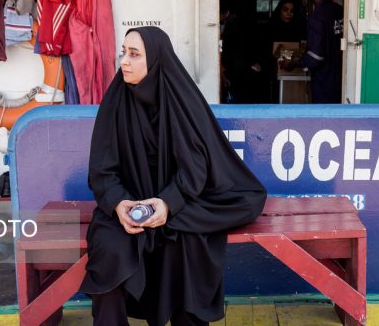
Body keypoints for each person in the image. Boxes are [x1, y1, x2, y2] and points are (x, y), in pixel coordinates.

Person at [79, 26, 267, 326]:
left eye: (134, 54)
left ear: (155, 59)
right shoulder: (115, 101)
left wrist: (167, 204)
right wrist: (118, 204)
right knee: (110, 252)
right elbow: (101, 170)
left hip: (177, 203)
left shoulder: (180, 100)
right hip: (128, 206)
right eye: (123, 53)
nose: (123, 61)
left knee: (187, 244)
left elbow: (195, 168)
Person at [299, 0, 344, 103]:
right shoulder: (340, 10)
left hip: (325, 82)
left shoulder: (317, 17)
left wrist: (297, 62)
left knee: (325, 118)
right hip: (341, 77)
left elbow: (316, 57)